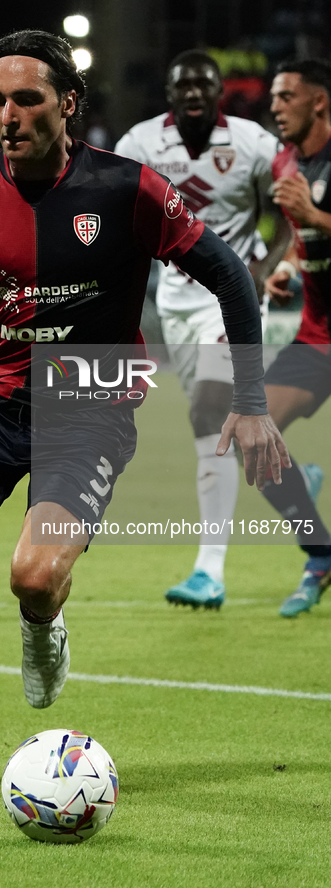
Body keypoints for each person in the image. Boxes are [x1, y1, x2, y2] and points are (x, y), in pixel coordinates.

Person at [0, 29, 289, 793]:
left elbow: (229, 277)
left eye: (27, 99)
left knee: (32, 575)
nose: (7, 115)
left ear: (67, 104)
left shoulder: (128, 190)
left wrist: (248, 401)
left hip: (88, 397)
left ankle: (42, 624)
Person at [115, 50, 286, 610]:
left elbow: (285, 211)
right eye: (183, 85)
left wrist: (261, 269)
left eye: (203, 85)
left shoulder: (254, 143)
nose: (193, 93)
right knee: (220, 426)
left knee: (209, 412)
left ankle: (209, 569)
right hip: (177, 302)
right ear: (169, 92)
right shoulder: (140, 145)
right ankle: (288, 479)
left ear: (220, 92)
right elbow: (119, 217)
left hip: (232, 302)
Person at [261, 58, 331, 617]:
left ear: (319, 102)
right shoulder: (286, 160)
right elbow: (296, 237)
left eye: (287, 96)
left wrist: (318, 215)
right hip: (317, 335)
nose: (276, 106)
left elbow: (313, 218)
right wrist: (286, 268)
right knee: (252, 436)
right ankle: (320, 553)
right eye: (274, 97)